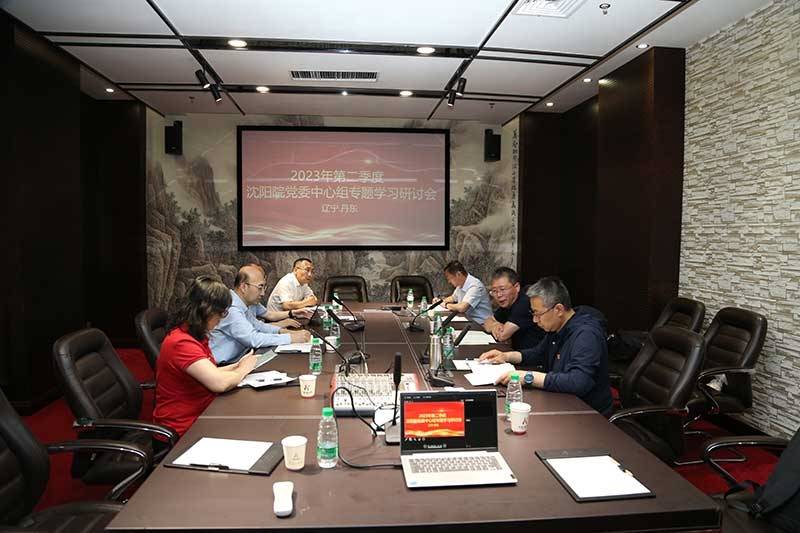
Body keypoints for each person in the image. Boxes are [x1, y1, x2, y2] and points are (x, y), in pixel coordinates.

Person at [479, 276, 612, 416]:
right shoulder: (557, 327)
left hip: (588, 413)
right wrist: (506, 356)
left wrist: (529, 377)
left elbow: (578, 382)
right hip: (562, 401)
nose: (535, 320)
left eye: (538, 314)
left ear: (558, 309)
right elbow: (538, 353)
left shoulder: (586, 334)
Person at [154, 276, 258, 436]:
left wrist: (237, 366)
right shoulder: (181, 342)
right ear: (206, 310)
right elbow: (219, 383)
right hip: (184, 431)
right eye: (221, 313)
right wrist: (243, 370)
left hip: (204, 414)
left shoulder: (195, 334)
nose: (221, 319)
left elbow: (210, 372)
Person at [209, 264, 311, 365]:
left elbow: (258, 326)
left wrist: (283, 332)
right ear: (243, 287)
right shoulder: (232, 308)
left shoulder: (243, 303)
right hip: (226, 365)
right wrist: (290, 338)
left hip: (244, 357)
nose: (262, 293)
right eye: (260, 287)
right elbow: (253, 338)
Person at [482, 267, 544, 350]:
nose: (499, 295)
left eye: (502, 289)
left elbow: (502, 335)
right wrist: (495, 325)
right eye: (494, 291)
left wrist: (497, 327)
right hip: (517, 352)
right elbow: (487, 322)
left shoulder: (524, 303)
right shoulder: (507, 303)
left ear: (517, 287)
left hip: (532, 354)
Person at [441, 260, 492, 325]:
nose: (449, 282)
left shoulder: (475, 285)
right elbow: (453, 298)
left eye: (449, 278)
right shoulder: (460, 285)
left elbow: (462, 308)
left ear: (458, 274)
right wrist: (440, 301)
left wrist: (446, 305)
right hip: (469, 321)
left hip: (482, 324)